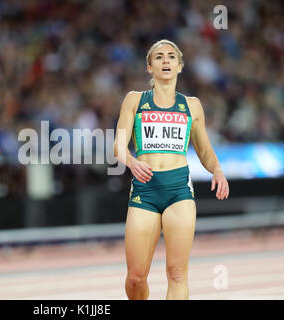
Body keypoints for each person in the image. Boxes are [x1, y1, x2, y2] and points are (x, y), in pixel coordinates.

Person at [114, 39, 229, 300]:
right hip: (145, 190)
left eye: (171, 57)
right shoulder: (134, 100)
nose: (165, 61)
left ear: (179, 66)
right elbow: (119, 147)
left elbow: (205, 151)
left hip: (179, 190)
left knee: (177, 273)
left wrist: (217, 170)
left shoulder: (192, 105)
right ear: (149, 68)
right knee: (135, 277)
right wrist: (132, 162)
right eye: (159, 57)